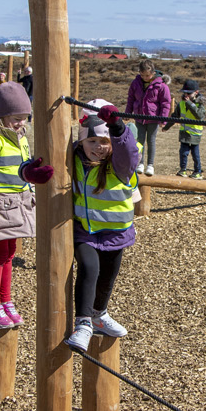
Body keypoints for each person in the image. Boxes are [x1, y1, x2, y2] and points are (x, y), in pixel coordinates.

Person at [0, 82, 51, 328]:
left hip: (17, 206)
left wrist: (32, 183)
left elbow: (21, 169)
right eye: (16, 118)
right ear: (2, 116)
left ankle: (5, 301)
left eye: (25, 118)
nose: (21, 123)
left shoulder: (19, 138)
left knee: (9, 254)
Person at [61, 100, 139, 350]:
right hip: (86, 231)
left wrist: (117, 128)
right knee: (90, 268)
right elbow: (44, 162)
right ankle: (83, 323)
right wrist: (28, 171)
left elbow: (128, 151)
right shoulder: (73, 159)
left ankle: (99, 314)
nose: (98, 147)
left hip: (116, 233)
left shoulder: (119, 165)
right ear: (81, 142)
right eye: (92, 141)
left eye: (104, 142)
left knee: (108, 276)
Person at [124, 60, 171, 176]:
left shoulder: (161, 85)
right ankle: (140, 163)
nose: (145, 78)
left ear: (153, 73)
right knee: (139, 141)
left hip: (153, 118)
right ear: (139, 72)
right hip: (139, 117)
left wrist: (163, 119)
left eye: (148, 75)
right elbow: (131, 98)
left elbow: (165, 103)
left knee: (151, 141)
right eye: (143, 75)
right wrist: (127, 113)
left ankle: (150, 165)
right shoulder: (135, 83)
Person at [171, 78, 206, 178]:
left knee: (195, 154)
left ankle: (198, 171)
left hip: (195, 134)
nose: (186, 95)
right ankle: (183, 170)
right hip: (184, 133)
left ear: (196, 92)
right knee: (183, 152)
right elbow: (175, 116)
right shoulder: (182, 103)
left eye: (189, 93)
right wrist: (166, 126)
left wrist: (189, 103)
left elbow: (199, 115)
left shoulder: (200, 104)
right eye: (184, 93)